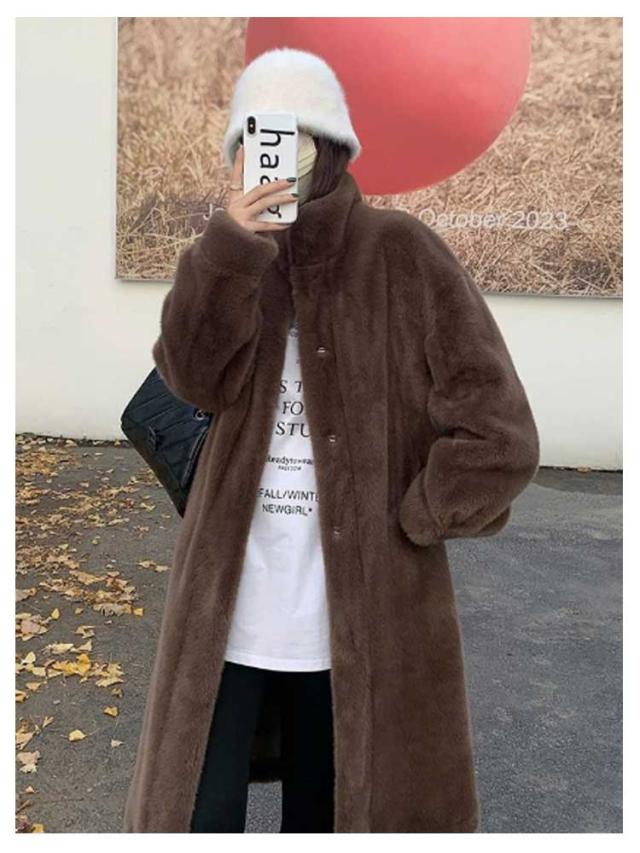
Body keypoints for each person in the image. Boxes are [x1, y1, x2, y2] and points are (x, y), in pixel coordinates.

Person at [124, 47, 540, 834]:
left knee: (334, 819)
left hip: (366, 622)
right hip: (226, 615)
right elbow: (192, 374)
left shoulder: (401, 254)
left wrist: (417, 515)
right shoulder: (230, 261)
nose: (280, 153)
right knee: (194, 818)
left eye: (298, 133)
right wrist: (230, 246)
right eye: (259, 136)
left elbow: (500, 431)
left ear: (333, 146)